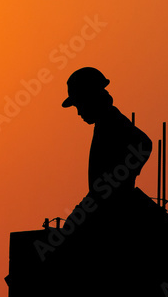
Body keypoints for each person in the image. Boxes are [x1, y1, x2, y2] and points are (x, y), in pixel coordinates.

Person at [62, 67, 152, 203]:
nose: (79, 113)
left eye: (79, 105)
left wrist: (116, 179)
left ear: (90, 98)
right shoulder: (104, 124)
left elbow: (144, 143)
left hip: (113, 206)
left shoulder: (112, 122)